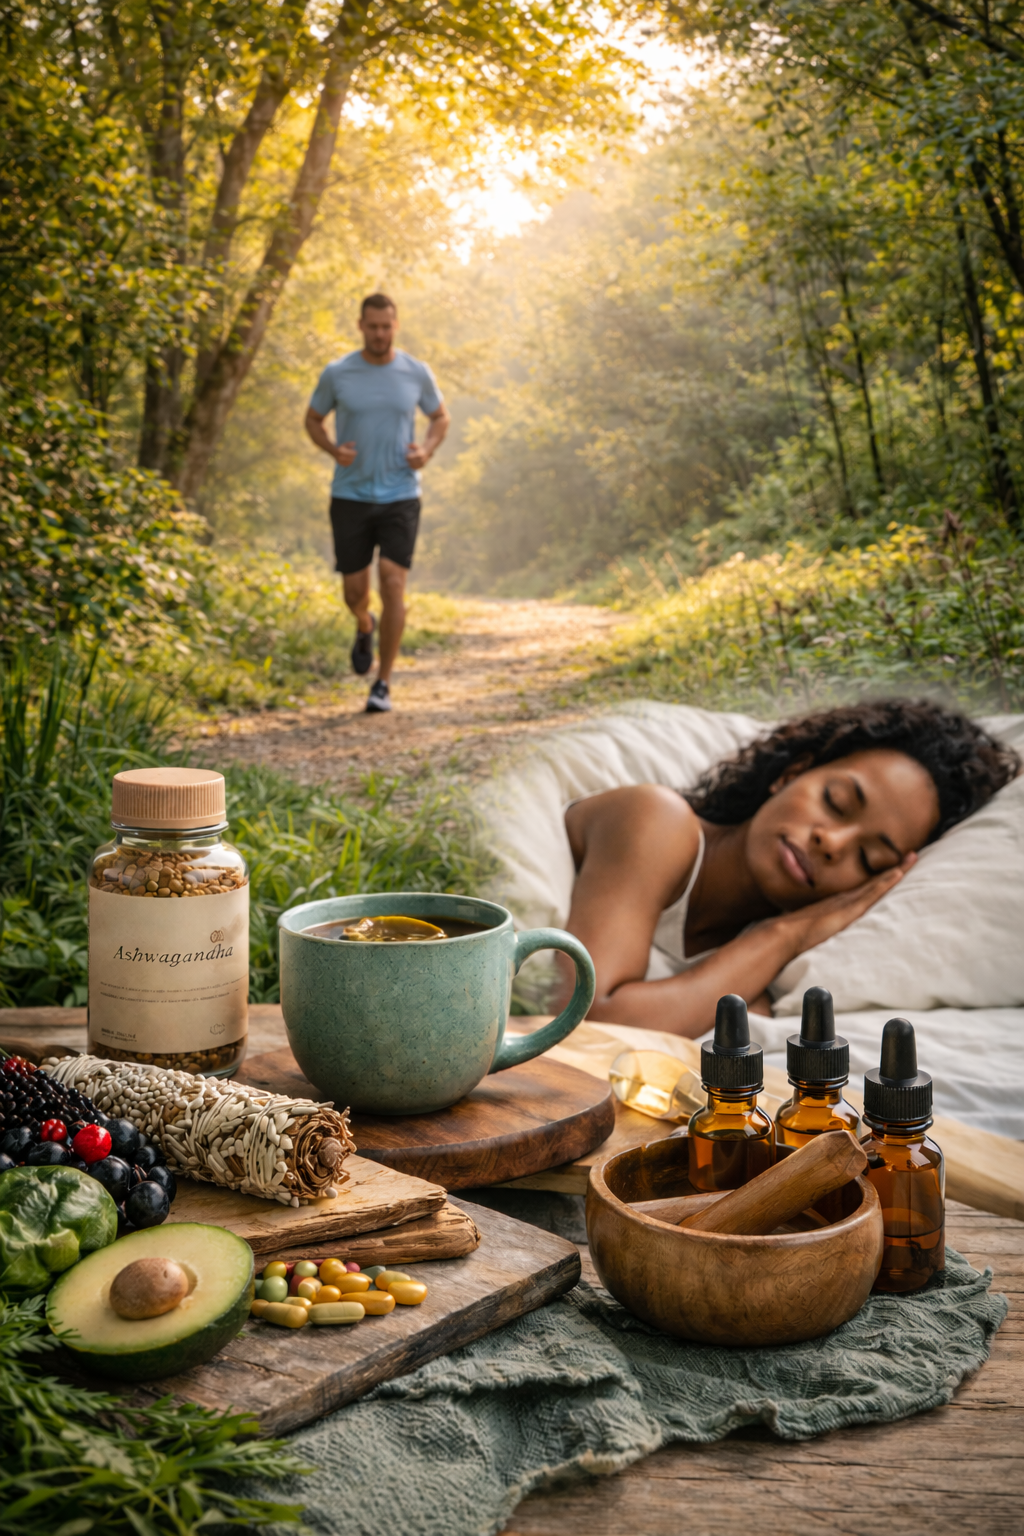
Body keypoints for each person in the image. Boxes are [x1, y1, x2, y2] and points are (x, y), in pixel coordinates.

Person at [555, 699, 1019, 1037]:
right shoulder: (656, 819)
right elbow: (586, 1021)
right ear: (791, 772)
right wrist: (784, 936)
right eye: (835, 802)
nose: (831, 842)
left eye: (868, 858)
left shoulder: (768, 976)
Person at [305, 293, 450, 713]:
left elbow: (440, 416)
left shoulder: (415, 372)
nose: (380, 334)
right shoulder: (338, 373)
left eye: (387, 326)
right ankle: (363, 623)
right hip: (349, 493)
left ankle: (383, 683)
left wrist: (427, 449)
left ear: (396, 325)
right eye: (373, 326)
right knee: (355, 590)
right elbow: (312, 420)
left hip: (401, 493)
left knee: (392, 580)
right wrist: (333, 450)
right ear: (361, 326)